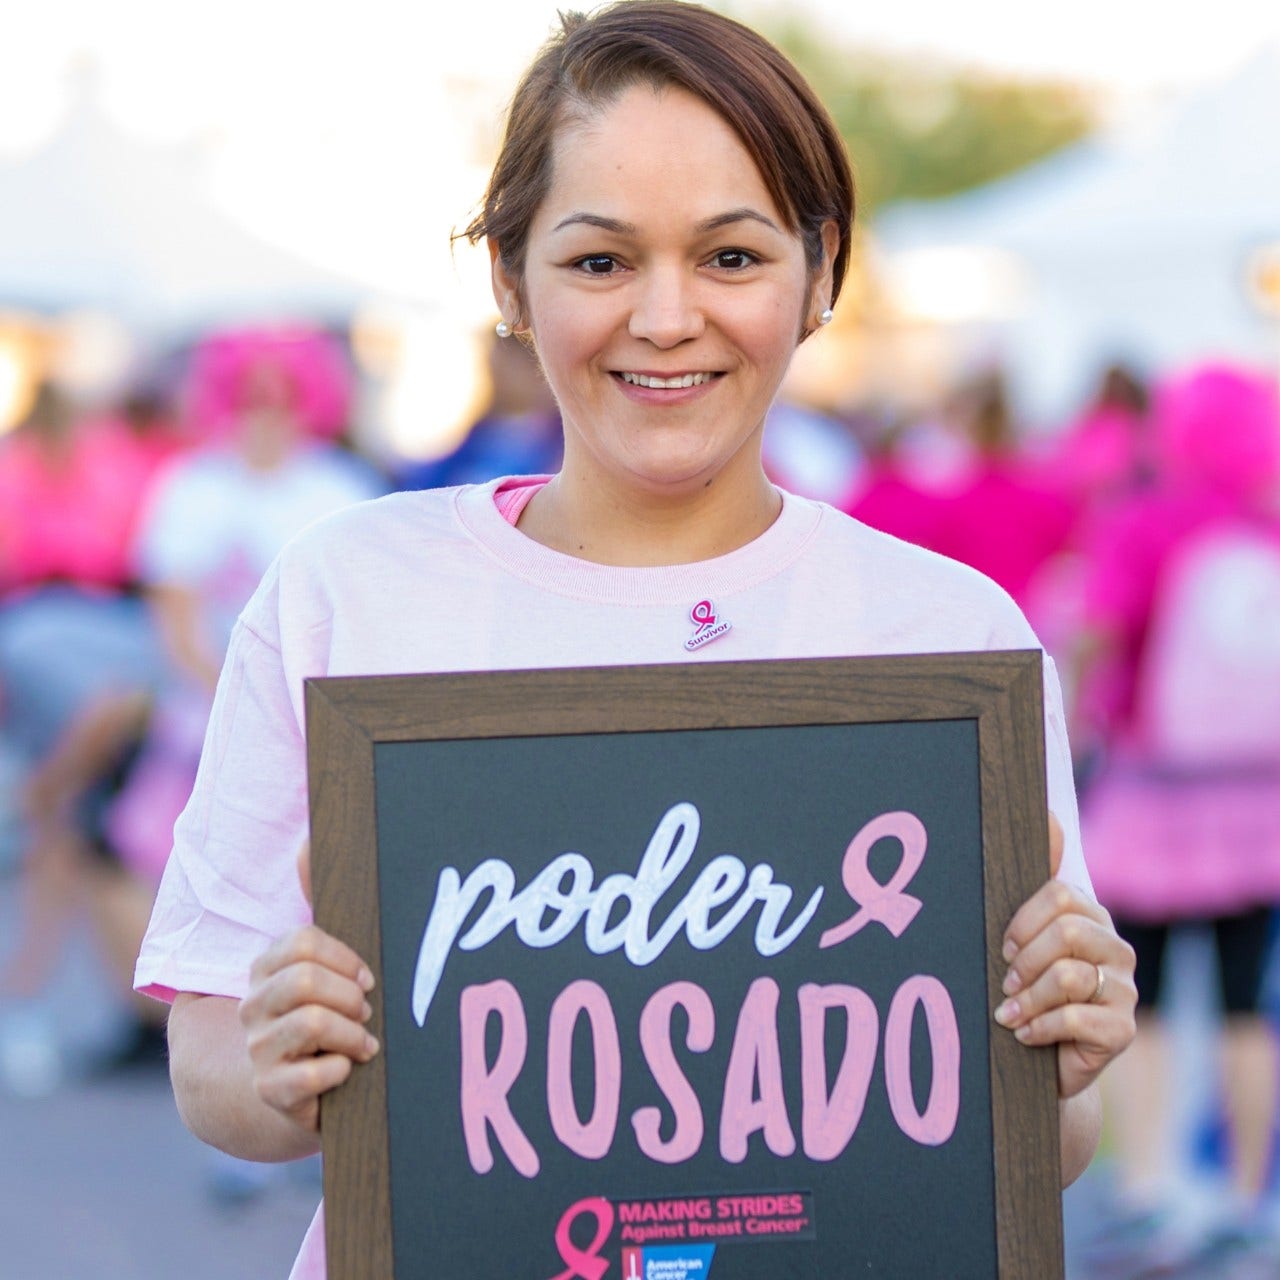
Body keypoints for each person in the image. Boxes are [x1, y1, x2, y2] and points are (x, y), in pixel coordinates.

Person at [134, 5, 1137, 1276]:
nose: (666, 319)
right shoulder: (349, 594)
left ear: (819, 275)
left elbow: (1037, 1137)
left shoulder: (945, 637)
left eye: (730, 257)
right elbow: (208, 1054)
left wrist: (1069, 1036)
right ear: (509, 279)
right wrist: (279, 1063)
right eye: (600, 262)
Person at [1074, 361, 1280, 1269]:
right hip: (1257, 806)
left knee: (1143, 1002)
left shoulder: (1143, 520)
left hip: (1153, 798)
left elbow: (1098, 633)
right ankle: (1244, 1195)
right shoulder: (1264, 527)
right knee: (1246, 1008)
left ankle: (1149, 1187)